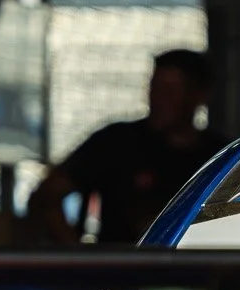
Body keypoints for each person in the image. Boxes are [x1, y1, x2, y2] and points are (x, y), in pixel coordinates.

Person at [30, 49, 226, 245]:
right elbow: (47, 196)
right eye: (154, 88)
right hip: (119, 271)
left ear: (199, 95)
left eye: (169, 91)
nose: (158, 99)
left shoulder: (222, 157)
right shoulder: (116, 143)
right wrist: (79, 258)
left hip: (195, 272)